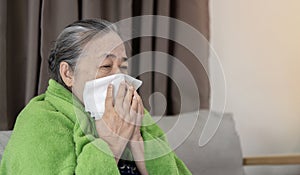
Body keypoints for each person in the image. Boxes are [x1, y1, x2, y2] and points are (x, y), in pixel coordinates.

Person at [0, 19, 191, 175]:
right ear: (68, 74)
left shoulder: (132, 114)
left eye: (123, 67)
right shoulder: (39, 121)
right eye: (106, 66)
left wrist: (140, 144)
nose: (118, 77)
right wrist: (109, 144)